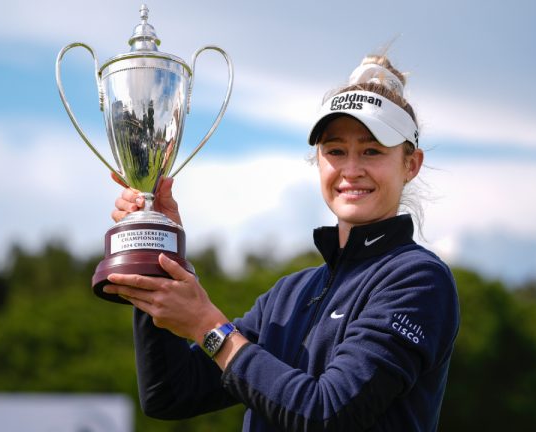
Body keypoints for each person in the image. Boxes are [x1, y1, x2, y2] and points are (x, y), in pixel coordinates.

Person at [103, 51, 460, 432]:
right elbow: (171, 392)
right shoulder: (291, 293)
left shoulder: (418, 279)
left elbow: (328, 412)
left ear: (411, 164)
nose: (351, 170)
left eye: (372, 151)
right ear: (318, 161)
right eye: (335, 151)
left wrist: (208, 326)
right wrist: (157, 246)